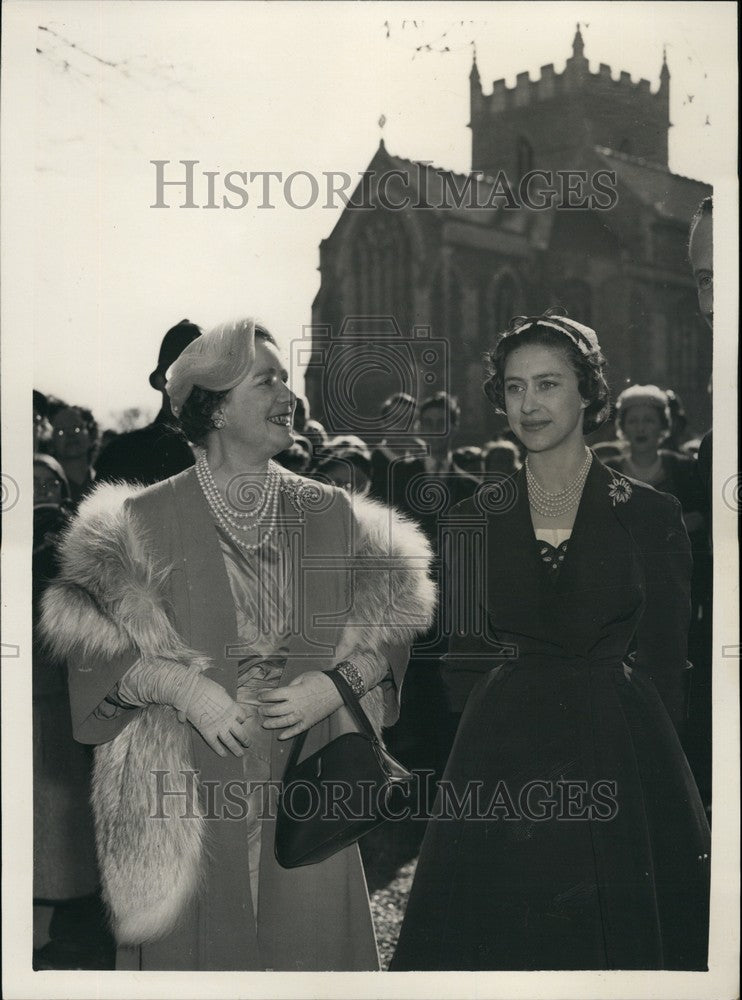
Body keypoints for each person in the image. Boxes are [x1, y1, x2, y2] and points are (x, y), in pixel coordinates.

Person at [40, 318, 435, 972]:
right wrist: (181, 686)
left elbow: (394, 632)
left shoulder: (334, 514)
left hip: (305, 792)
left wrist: (335, 686)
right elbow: (95, 660)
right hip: (182, 799)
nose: (290, 395)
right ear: (214, 405)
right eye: (268, 380)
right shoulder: (136, 523)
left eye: (286, 379)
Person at [391, 311, 710, 971]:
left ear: (590, 394)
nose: (528, 404)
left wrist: (643, 749)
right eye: (514, 388)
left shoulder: (649, 514)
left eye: (548, 384)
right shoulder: (473, 517)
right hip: (501, 751)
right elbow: (462, 656)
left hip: (622, 750)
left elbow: (665, 662)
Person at [94, 319, 202, 486]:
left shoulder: (232, 450)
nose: (190, 383)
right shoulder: (123, 454)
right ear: (160, 381)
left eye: (201, 374)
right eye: (179, 372)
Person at [609, 384, 706, 536]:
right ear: (622, 427)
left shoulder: (684, 468)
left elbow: (699, 519)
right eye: (633, 421)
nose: (640, 428)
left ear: (663, 425)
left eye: (649, 420)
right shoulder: (609, 471)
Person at [50, 405, 99, 506]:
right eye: (61, 431)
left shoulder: (105, 479)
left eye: (77, 428)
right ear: (51, 442)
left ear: (91, 435)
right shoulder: (48, 488)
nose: (70, 435)